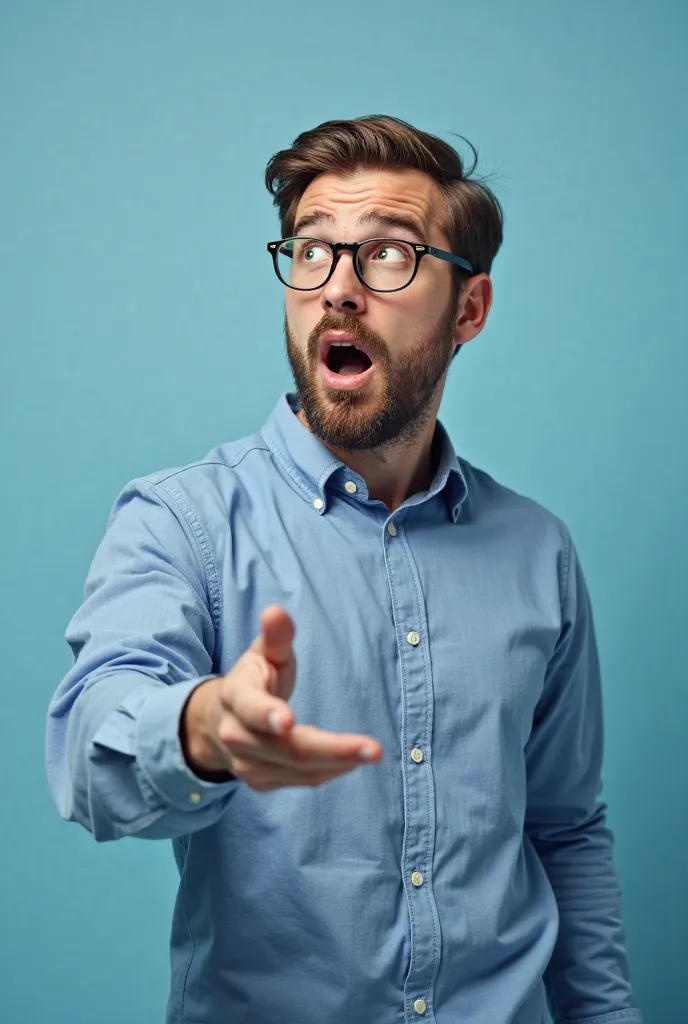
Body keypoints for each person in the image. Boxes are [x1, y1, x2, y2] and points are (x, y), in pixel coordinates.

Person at [45, 115, 643, 1024]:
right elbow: (93, 755)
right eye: (313, 253)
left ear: (469, 309)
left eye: (390, 256)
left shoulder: (538, 552)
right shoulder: (183, 521)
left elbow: (563, 831)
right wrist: (206, 728)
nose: (339, 290)